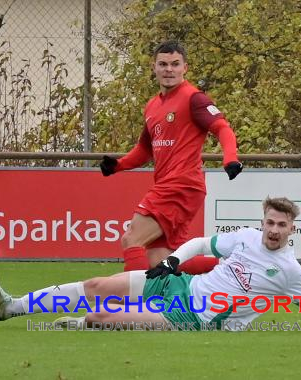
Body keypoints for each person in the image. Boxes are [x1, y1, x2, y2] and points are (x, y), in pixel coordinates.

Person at [0, 197, 301, 332]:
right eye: (270, 222)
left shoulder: (290, 272)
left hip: (194, 317)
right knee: (97, 286)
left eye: (281, 225)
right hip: (179, 285)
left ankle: (76, 325)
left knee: (100, 316)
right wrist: (171, 262)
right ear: (263, 221)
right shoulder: (246, 237)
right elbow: (199, 243)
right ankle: (11, 306)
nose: (273, 230)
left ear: (291, 229)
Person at [99, 40, 242, 275]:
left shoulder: (194, 98)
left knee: (132, 239)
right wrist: (118, 165)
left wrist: (230, 159)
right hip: (172, 186)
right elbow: (145, 149)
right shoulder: (152, 106)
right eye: (163, 64)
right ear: (153, 67)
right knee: (160, 259)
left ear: (185, 67)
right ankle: (236, 269)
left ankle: (130, 306)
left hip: (181, 185)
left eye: (175, 64)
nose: (169, 69)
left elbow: (223, 128)